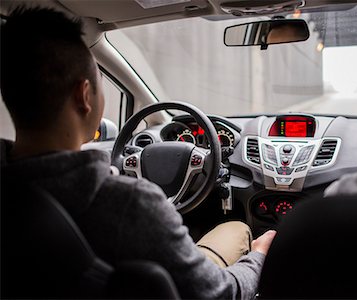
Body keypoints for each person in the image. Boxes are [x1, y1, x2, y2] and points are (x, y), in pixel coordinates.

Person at [0, 6, 276, 299]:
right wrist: (259, 258)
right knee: (236, 228)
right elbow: (220, 293)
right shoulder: (131, 204)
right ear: (84, 96)